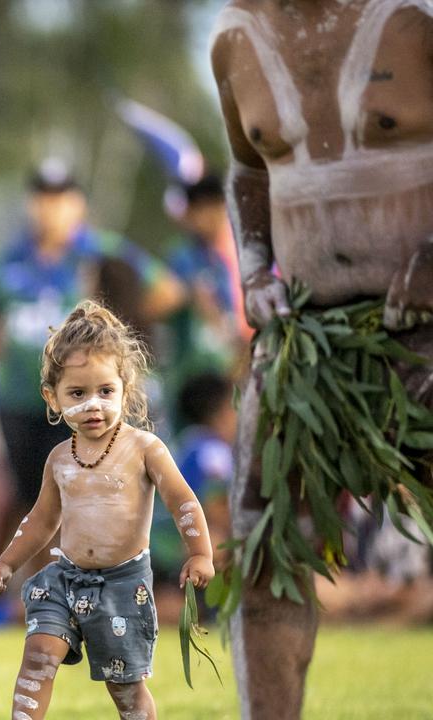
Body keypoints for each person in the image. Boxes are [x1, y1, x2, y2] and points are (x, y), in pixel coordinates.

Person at [211, 2, 433, 715]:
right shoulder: (232, 38)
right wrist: (254, 273)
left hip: (428, 330)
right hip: (304, 344)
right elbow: (249, 173)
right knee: (265, 559)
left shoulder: (416, 16)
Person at [0, 300, 214, 720]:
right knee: (38, 655)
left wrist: (199, 552)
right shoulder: (59, 459)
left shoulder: (144, 449)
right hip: (64, 578)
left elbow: (183, 500)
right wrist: (6, 563)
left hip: (123, 585)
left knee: (124, 687)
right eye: (77, 393)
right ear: (52, 399)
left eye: (106, 391)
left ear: (126, 389)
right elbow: (41, 521)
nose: (93, 404)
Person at [0, 159, 185, 587]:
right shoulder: (6, 261)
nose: (51, 208)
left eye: (61, 198)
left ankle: (90, 593)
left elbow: (168, 291)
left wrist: (123, 332)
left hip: (82, 401)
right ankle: (45, 598)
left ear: (78, 204)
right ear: (31, 204)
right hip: (20, 402)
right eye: (43, 199)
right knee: (34, 501)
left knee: (84, 494)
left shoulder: (101, 251)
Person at [149, 372, 234, 623]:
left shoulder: (192, 441)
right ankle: (198, 610)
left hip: (158, 545)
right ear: (219, 412)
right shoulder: (211, 450)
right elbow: (218, 513)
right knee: (223, 543)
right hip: (169, 548)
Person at [161, 174, 246, 402]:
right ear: (189, 214)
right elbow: (203, 308)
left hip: (232, 368)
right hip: (195, 368)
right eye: (201, 210)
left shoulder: (230, 257)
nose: (210, 217)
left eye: (216, 208)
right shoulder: (182, 257)